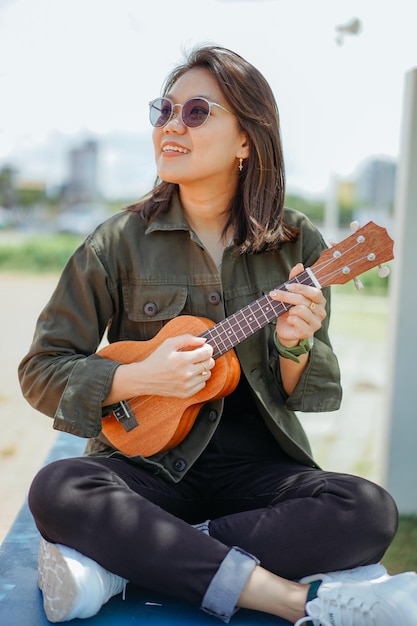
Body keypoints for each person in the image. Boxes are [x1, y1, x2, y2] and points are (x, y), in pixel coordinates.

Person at [18, 45, 417, 626]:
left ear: (246, 140)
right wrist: (139, 376)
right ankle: (289, 600)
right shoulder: (117, 241)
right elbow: (42, 370)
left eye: (197, 112)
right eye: (164, 110)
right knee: (60, 486)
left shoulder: (297, 242)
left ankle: (121, 564)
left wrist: (294, 343)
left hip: (255, 471)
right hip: (145, 470)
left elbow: (300, 391)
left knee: (368, 510)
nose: (171, 126)